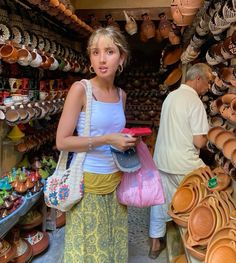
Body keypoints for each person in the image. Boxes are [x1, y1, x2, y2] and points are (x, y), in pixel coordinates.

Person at [56, 26, 138, 263]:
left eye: (110, 51)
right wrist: (107, 139)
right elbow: (62, 141)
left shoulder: (121, 95)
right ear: (90, 58)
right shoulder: (81, 90)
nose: (102, 59)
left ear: (121, 57)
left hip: (116, 181)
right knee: (89, 250)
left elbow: (114, 134)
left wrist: (127, 140)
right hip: (88, 184)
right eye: (95, 52)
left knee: (112, 246)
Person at [148, 63, 214, 259]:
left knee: (159, 202)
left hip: (162, 160)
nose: (209, 87)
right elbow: (199, 141)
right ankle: (195, 243)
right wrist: (211, 135)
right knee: (209, 189)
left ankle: (154, 244)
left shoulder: (171, 96)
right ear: (197, 79)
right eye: (208, 82)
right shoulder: (195, 102)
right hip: (183, 163)